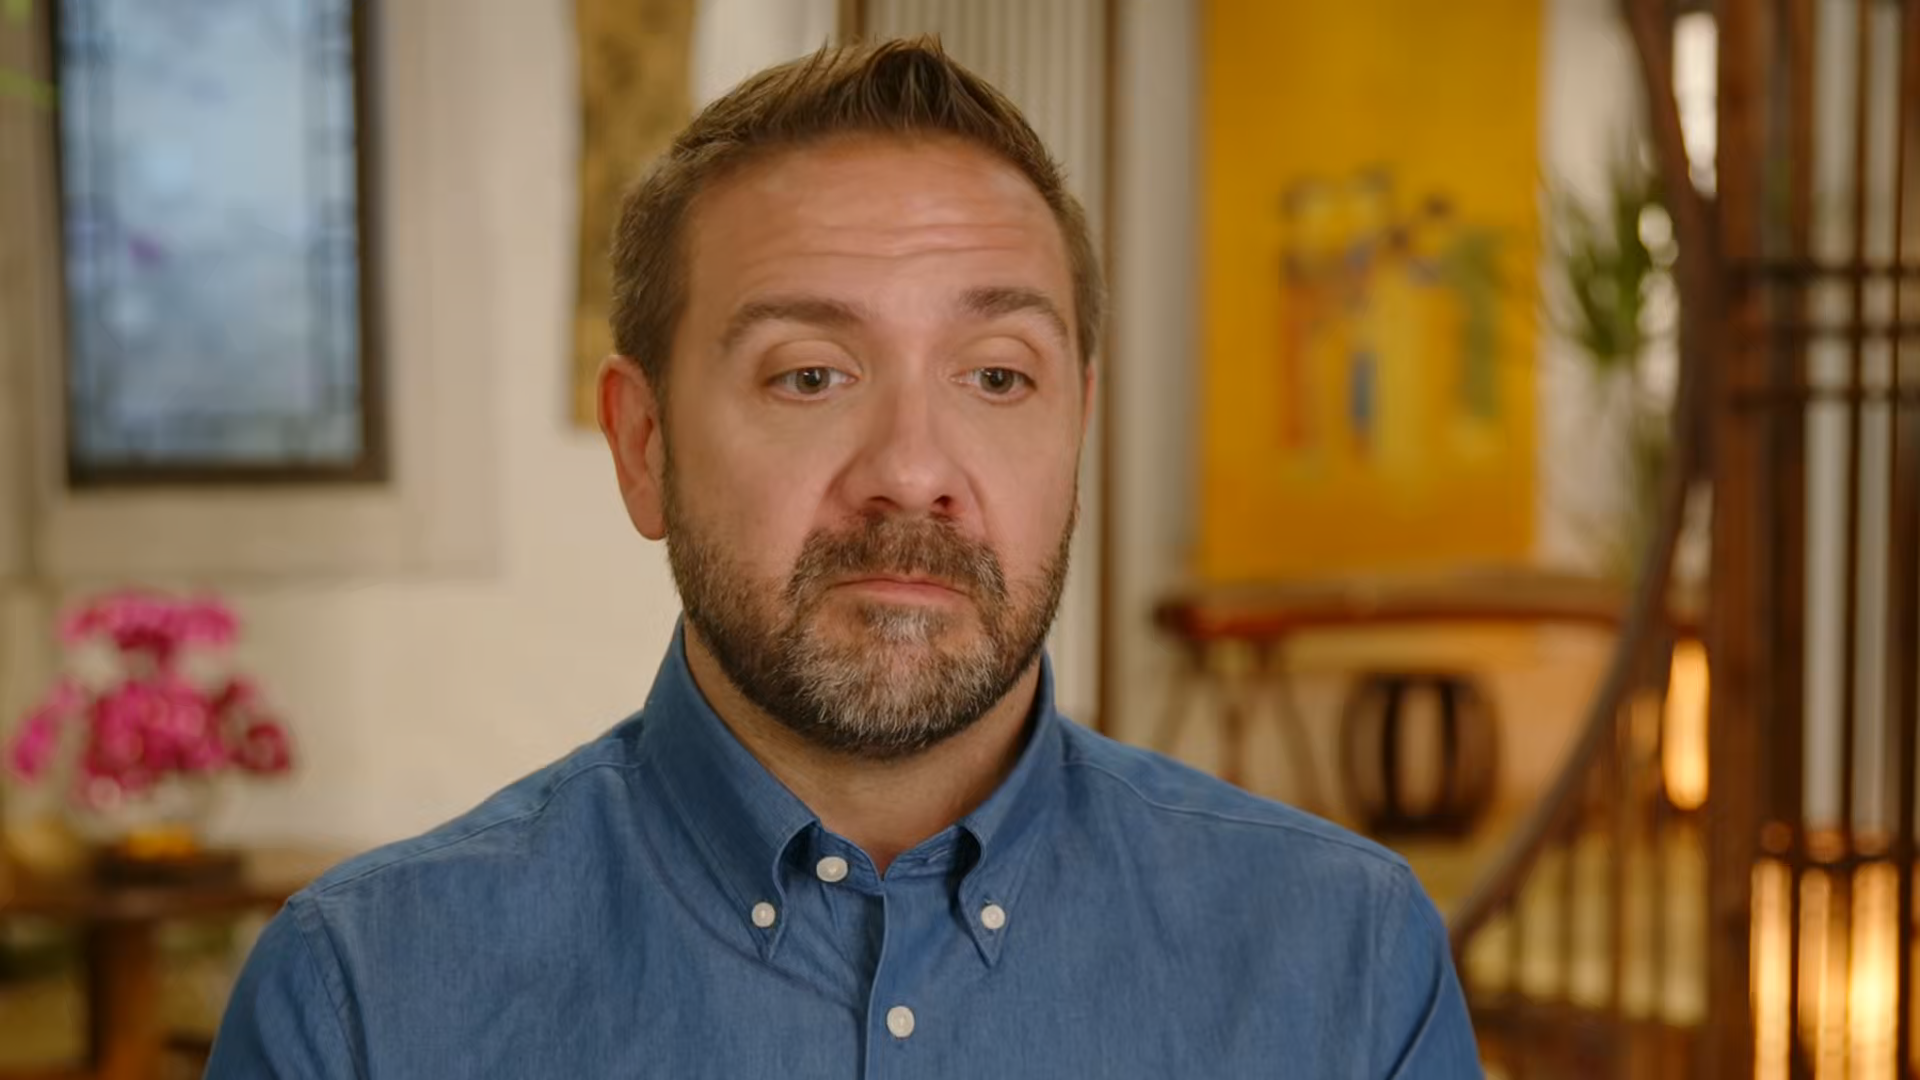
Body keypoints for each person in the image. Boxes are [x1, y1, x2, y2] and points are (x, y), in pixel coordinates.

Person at [208, 38, 1481, 1078]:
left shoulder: (1348, 964)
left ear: (1077, 429)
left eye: (997, 376)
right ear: (643, 445)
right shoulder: (362, 1001)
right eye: (811, 375)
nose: (912, 469)